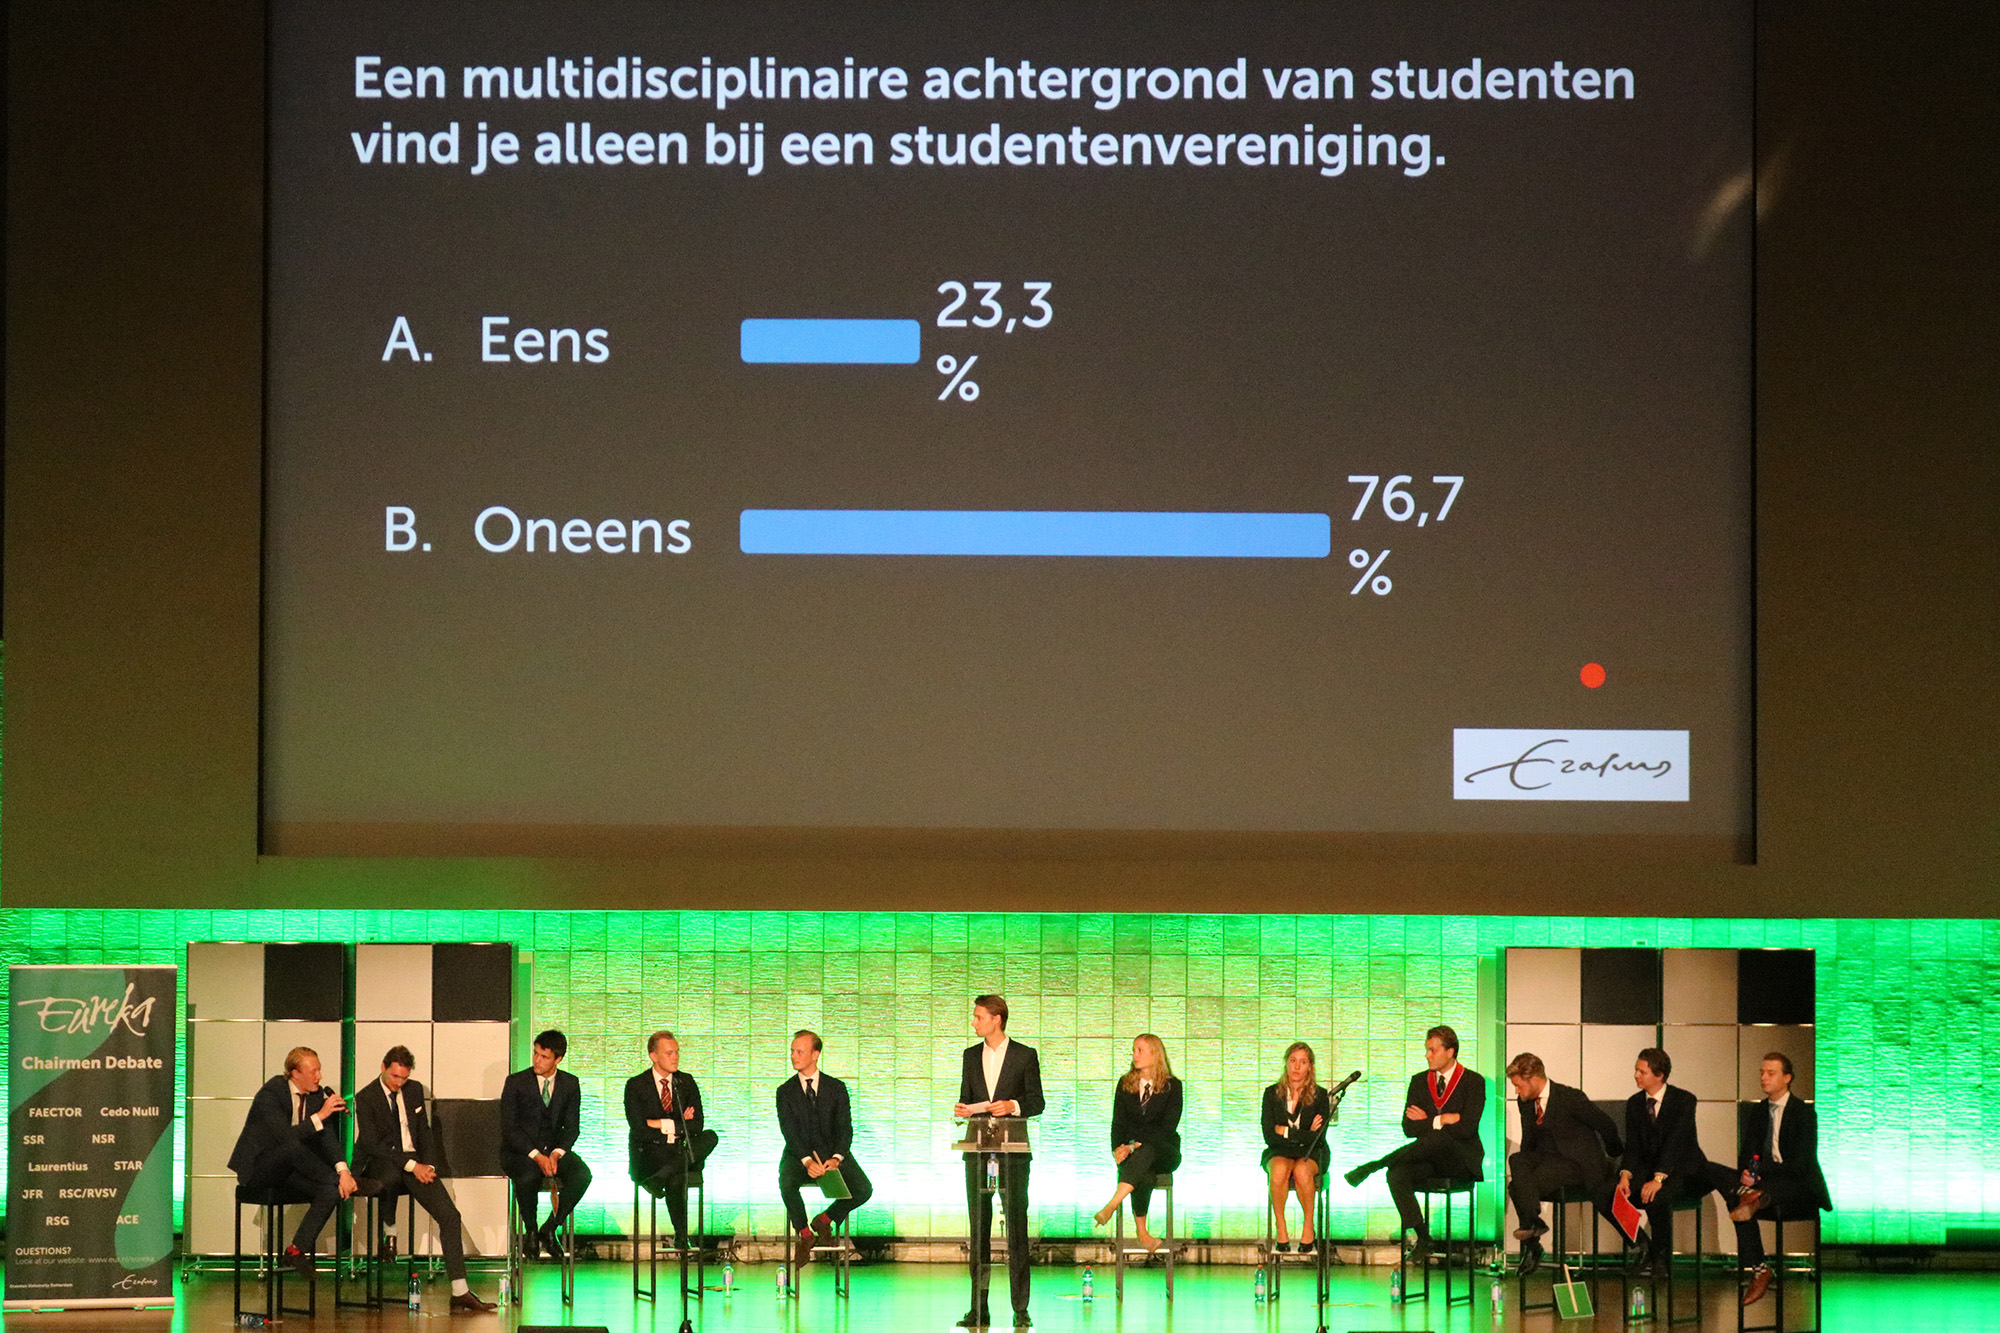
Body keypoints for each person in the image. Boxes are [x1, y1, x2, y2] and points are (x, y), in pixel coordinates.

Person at [352, 1045, 496, 1312]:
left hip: (414, 1159)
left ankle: (460, 1291)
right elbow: (372, 1144)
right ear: (383, 1068)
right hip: (381, 1161)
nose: (399, 1083)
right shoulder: (366, 1097)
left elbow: (424, 1131)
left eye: (404, 1078)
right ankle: (389, 1231)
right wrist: (411, 1165)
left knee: (450, 1216)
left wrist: (427, 1165)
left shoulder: (414, 1090)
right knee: (391, 1175)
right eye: (395, 1077)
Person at [228, 1046, 377, 1277]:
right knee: (292, 1146)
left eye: (320, 1070)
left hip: (289, 1169)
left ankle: (296, 1250)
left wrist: (344, 1171)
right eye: (313, 1071)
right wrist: (321, 1115)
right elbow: (284, 1138)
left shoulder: (316, 1096)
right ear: (295, 1073)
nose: (319, 1076)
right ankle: (349, 1183)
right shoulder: (271, 1093)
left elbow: (327, 1137)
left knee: (331, 1190)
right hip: (259, 1169)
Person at [1343, 1025, 1486, 1263]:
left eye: (1432, 1050)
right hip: (1428, 1157)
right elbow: (1409, 1128)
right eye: (1426, 1050)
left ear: (1450, 1051)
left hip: (1460, 1159)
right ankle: (1423, 1236)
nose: (1427, 1055)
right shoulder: (1420, 1081)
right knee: (1396, 1173)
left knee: (1440, 1138)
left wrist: (1428, 1121)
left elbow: (1466, 1129)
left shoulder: (1473, 1081)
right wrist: (1443, 1119)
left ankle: (1375, 1164)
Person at [1703, 1052, 1831, 1306]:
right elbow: (1748, 1152)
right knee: (1711, 1170)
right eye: (1762, 1072)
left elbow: (1799, 1165)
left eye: (1771, 1073)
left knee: (1740, 1200)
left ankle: (1760, 1265)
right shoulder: (1759, 1110)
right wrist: (1747, 1172)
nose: (1764, 1078)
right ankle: (1753, 1204)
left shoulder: (1804, 1113)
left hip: (1797, 1184)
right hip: (1760, 1181)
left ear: (1787, 1078)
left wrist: (1760, 1175)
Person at [953, 993, 1045, 1329]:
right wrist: (963, 1109)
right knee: (979, 1229)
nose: (974, 1022)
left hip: (1013, 1151)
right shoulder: (970, 1056)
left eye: (979, 1017)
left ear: (997, 1019)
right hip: (978, 1150)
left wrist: (1012, 1106)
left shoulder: (1024, 1055)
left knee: (1016, 1229)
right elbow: (966, 1097)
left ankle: (1020, 1307)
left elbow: (1037, 1101)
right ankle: (978, 1308)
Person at [1504, 1052, 1623, 1275]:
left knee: (1518, 1186)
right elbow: (1529, 1139)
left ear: (1533, 1079)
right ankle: (1533, 1224)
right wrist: (1524, 1174)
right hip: (1547, 1161)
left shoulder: (1570, 1097)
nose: (1516, 1091)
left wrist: (1614, 1157)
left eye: (1518, 1086)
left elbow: (1605, 1124)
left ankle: (1532, 1245)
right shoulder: (1526, 1102)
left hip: (1576, 1163)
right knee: (1517, 1162)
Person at [776, 1029, 875, 1275]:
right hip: (799, 1155)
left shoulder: (836, 1088)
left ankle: (825, 1219)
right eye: (792, 1051)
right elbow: (789, 1131)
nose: (794, 1056)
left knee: (863, 1189)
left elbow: (845, 1128)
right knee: (786, 1182)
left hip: (832, 1153)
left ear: (815, 1054)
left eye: (800, 1052)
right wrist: (807, 1161)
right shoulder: (785, 1091)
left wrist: (837, 1157)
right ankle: (805, 1233)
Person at [1616, 1047, 1712, 1277]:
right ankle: (1643, 1246)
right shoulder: (1634, 1103)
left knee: (1655, 1197)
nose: (1636, 1076)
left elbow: (1675, 1143)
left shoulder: (1683, 1100)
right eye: (1636, 1070)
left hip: (1682, 1172)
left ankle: (1660, 1258)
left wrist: (1658, 1179)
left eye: (1642, 1072)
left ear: (1659, 1075)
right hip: (1648, 1171)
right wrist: (1625, 1176)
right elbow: (1633, 1146)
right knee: (1610, 1194)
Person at [499, 1029, 591, 1259]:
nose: (537, 1060)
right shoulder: (516, 1082)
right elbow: (510, 1128)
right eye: (536, 1054)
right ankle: (530, 1230)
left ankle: (550, 1228)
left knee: (582, 1175)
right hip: (521, 1152)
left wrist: (557, 1154)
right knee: (528, 1175)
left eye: (544, 1057)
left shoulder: (570, 1084)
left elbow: (572, 1127)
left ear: (558, 1059)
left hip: (554, 1149)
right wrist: (537, 1156)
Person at [624, 1029, 719, 1250]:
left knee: (710, 1137)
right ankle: (681, 1236)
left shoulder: (686, 1082)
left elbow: (697, 1125)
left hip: (680, 1150)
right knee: (677, 1174)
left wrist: (658, 1123)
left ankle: (661, 1178)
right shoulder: (636, 1085)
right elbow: (639, 1129)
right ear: (653, 1056)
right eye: (669, 1053)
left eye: (676, 1052)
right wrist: (677, 1126)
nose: (675, 1057)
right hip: (650, 1155)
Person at [1091, 1034, 1183, 1251]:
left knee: (1147, 1151)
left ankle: (1112, 1205)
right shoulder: (1125, 1084)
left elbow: (1167, 1127)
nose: (1134, 1055)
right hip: (1134, 1153)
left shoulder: (1173, 1086)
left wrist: (1133, 1145)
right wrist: (1118, 1149)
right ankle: (1143, 1234)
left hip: (1165, 1150)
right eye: (1134, 1050)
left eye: (1140, 1050)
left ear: (1155, 1054)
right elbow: (1118, 1122)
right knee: (1144, 1171)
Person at [1261, 1041, 1332, 1255]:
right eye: (1293, 1060)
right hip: (1279, 1151)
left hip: (1313, 1152)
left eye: (1303, 1062)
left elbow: (1317, 1138)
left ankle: (1308, 1226)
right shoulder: (1271, 1093)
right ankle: (1281, 1227)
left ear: (1310, 1066)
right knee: (1280, 1170)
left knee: (1301, 1170)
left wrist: (1285, 1131)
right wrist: (1303, 1134)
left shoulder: (1320, 1095)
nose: (1297, 1066)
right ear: (1286, 1063)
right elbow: (1269, 1135)